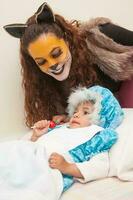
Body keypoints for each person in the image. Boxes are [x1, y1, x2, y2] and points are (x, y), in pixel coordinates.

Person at [3, 2, 133, 128]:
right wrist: (71, 116)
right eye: (42, 62)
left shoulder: (99, 36)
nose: (52, 64)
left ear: (66, 40)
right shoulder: (49, 84)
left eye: (56, 53)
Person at [0, 86, 124, 200]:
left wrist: (66, 167)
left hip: (46, 164)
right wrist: (36, 136)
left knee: (23, 181)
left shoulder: (96, 135)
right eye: (75, 111)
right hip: (30, 154)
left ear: (101, 118)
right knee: (10, 152)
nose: (76, 114)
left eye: (85, 112)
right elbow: (33, 147)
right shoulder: (62, 128)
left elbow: (100, 167)